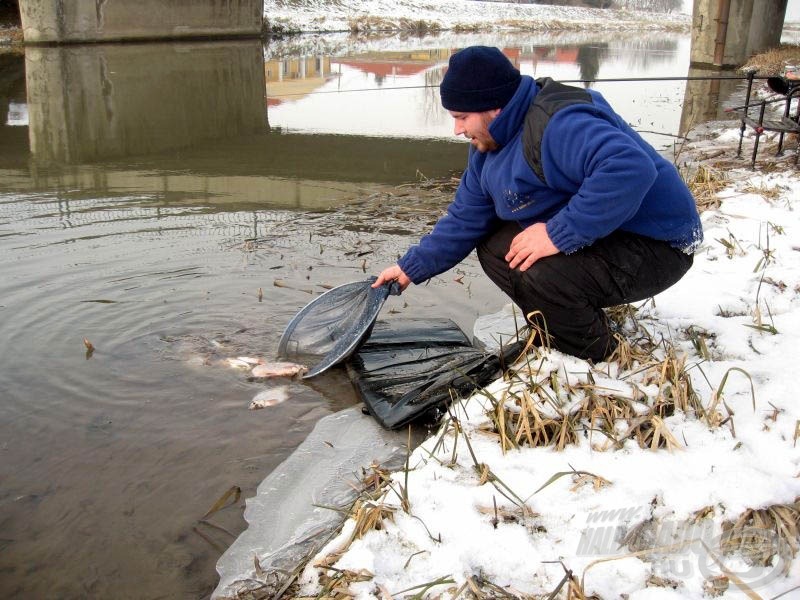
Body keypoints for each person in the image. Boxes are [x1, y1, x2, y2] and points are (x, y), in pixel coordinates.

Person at [373, 46, 703, 362]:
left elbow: (629, 168)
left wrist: (558, 234)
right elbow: (465, 219)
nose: (457, 129)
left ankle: (596, 357)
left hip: (659, 243)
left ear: (494, 107)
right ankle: (554, 330)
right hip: (611, 231)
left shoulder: (558, 124)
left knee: (542, 273)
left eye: (461, 117)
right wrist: (409, 268)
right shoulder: (489, 146)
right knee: (496, 243)